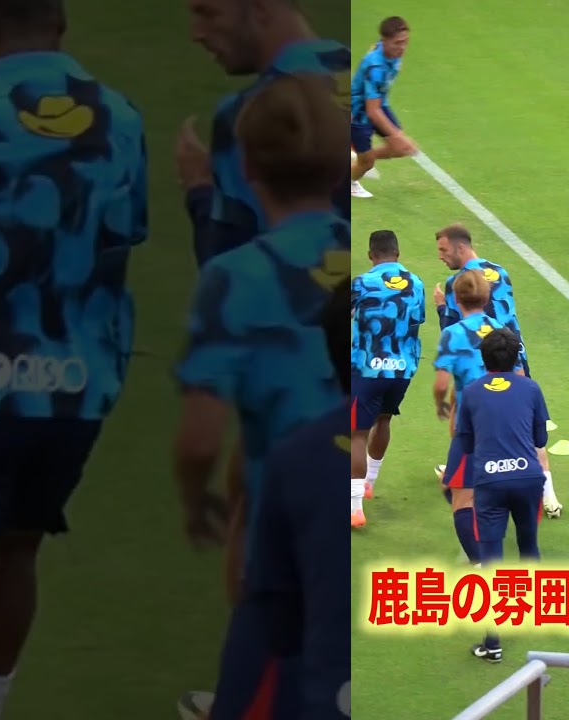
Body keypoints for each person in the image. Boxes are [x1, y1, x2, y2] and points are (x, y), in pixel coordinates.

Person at [0, 1, 148, 718]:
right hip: (76, 387)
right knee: (18, 551)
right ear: (61, 25)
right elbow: (121, 238)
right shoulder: (122, 119)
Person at [172, 73, 349, 720]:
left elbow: (199, 439)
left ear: (246, 167)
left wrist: (197, 501)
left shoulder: (235, 276)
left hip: (285, 555)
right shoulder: (374, 262)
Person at [178, 0, 350, 266]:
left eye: (208, 13)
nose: (196, 33)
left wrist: (199, 189)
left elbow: (227, 265)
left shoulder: (248, 117)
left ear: (260, 8)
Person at [433, 223, 562, 517]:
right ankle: (548, 495)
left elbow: (452, 330)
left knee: (462, 411)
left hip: (480, 360)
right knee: (525, 422)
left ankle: (463, 469)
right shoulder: (501, 272)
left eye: (443, 249)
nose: (441, 256)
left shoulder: (457, 283)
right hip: (514, 355)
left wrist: (441, 306)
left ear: (460, 247)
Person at [457, 328, 549, 663]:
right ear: (516, 357)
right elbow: (541, 439)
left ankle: (492, 642)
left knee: (492, 557)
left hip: (490, 483)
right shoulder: (531, 388)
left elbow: (465, 443)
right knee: (528, 542)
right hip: (528, 478)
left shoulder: (471, 392)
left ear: (483, 358)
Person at [431, 270, 513, 566]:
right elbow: (518, 375)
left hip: (473, 425)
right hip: (505, 419)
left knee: (456, 494)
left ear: (455, 298)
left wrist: (441, 404)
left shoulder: (453, 334)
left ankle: (483, 564)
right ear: (488, 297)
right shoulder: (502, 329)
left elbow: (441, 383)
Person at [350, 230, 426, 528]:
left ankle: (354, 507)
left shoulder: (362, 283)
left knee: (356, 433)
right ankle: (369, 482)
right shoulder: (416, 283)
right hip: (402, 369)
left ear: (371, 255)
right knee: (384, 420)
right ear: (398, 253)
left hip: (368, 368)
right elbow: (416, 321)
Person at [350, 16, 415, 199]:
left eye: (405, 42)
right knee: (367, 163)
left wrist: (398, 139)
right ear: (384, 40)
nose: (402, 48)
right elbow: (373, 112)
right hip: (358, 113)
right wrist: (397, 135)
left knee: (399, 148)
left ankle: (358, 157)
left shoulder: (390, 53)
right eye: (397, 43)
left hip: (378, 103)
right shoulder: (376, 68)